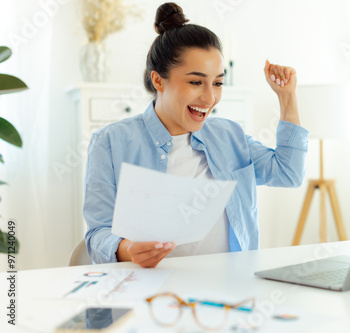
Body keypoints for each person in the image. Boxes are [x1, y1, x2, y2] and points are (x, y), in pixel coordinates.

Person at [83, 2, 309, 268]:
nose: (210, 97)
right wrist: (128, 249)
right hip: (151, 292)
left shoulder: (230, 135)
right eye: (195, 82)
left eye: (217, 83)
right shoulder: (110, 143)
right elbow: (98, 234)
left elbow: (289, 174)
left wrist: (287, 97)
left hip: (230, 290)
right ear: (158, 80)